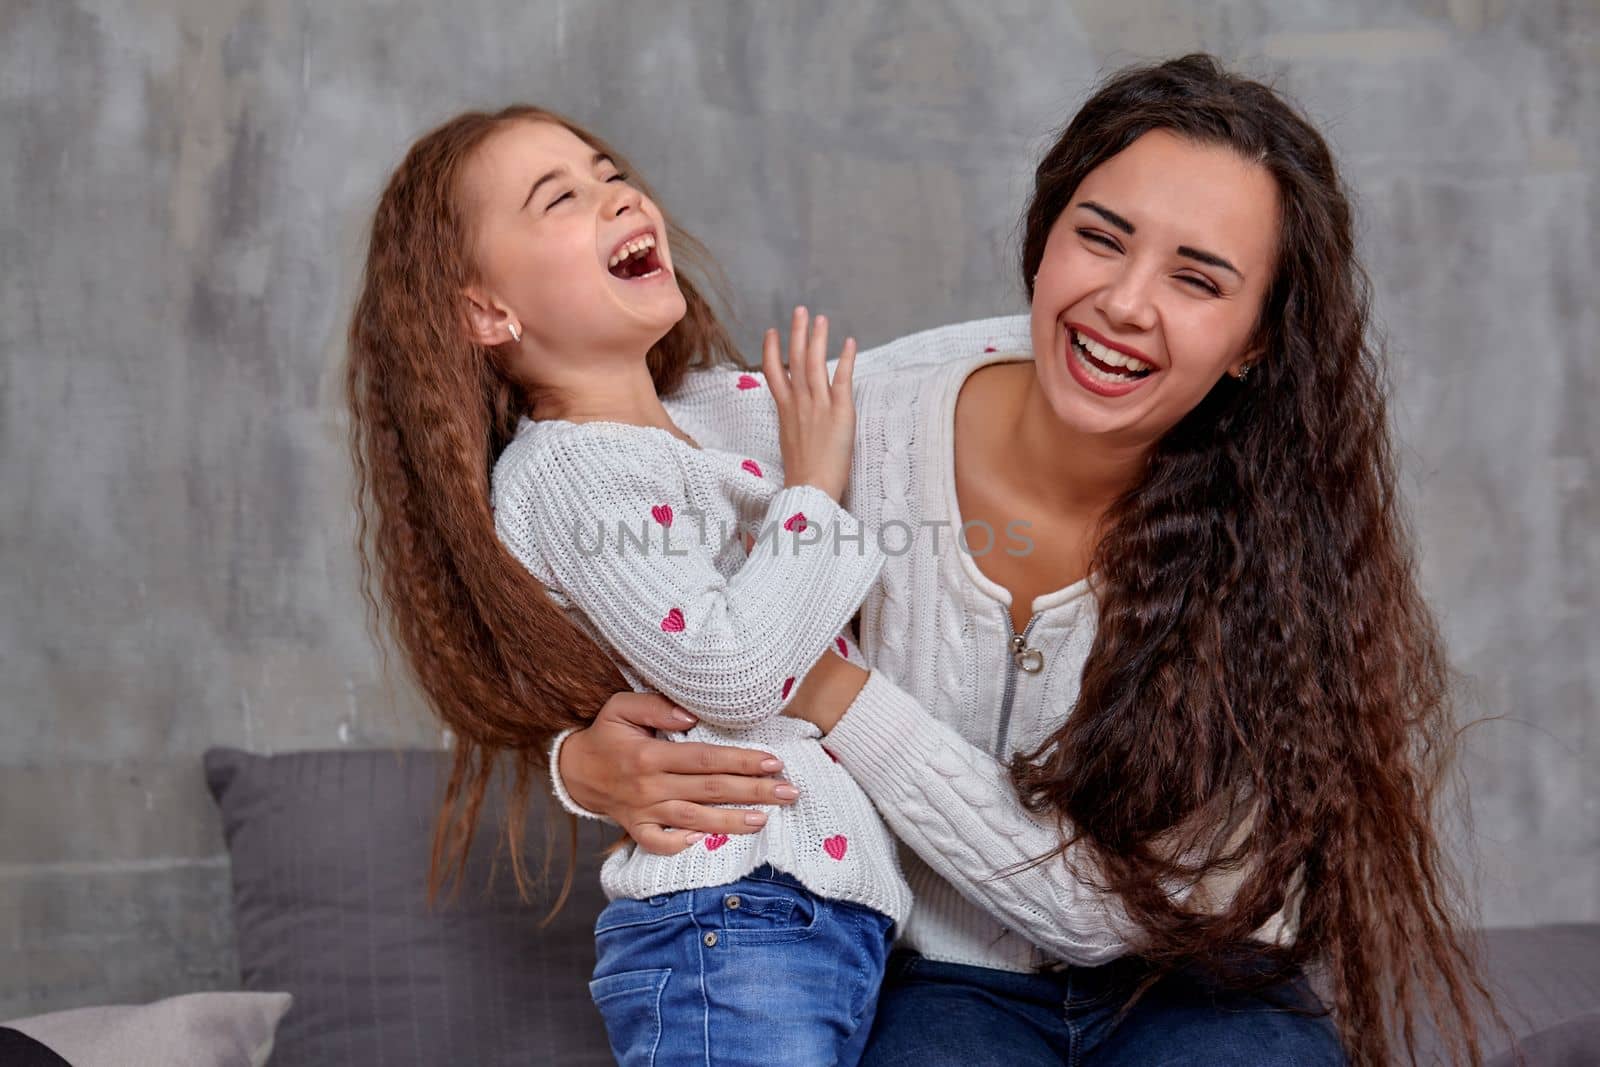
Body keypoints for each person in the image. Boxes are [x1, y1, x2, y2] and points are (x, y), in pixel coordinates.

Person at [548, 55, 1503, 1066]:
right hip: (937, 982)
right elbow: (586, 468)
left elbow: (1104, 910)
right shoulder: (860, 419)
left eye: (1196, 278)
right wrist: (577, 762)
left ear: (1253, 342)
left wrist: (833, 688)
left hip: (1195, 979)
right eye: (1100, 238)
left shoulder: (1283, 535)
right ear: (1042, 244)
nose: (1126, 303)